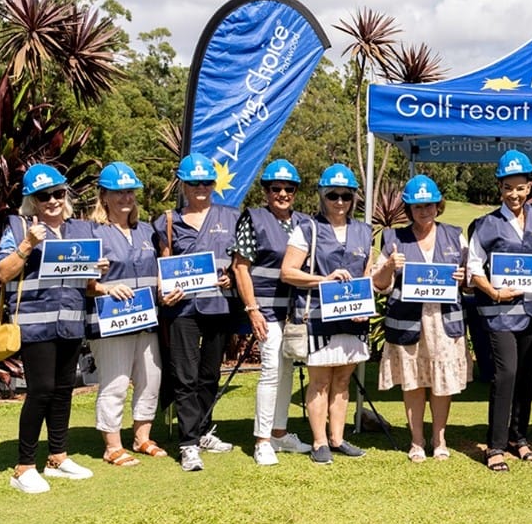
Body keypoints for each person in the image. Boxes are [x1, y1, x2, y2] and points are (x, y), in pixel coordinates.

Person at [0, 164, 102, 493]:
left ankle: (57, 457)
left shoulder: (81, 230)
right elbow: (2, 273)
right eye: (45, 196)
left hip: (70, 322)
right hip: (34, 324)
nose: (53, 201)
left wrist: (96, 270)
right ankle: (24, 466)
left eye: (58, 193)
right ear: (32, 200)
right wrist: (27, 244)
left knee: (63, 391)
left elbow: (86, 284)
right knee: (40, 391)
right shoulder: (18, 226)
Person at [374, 175, 471, 463]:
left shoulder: (455, 235)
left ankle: (439, 439)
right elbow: (379, 284)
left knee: (442, 383)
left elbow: (470, 280)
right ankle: (416, 441)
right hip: (408, 323)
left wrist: (465, 278)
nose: (424, 211)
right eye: (417, 206)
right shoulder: (393, 238)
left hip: (444, 322)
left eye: (429, 205)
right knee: (414, 382)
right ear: (409, 208)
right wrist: (390, 266)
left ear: (438, 205)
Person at [281, 163, 372, 465]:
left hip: (353, 319)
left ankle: (337, 438)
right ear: (322, 195)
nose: (340, 202)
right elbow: (288, 272)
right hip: (318, 317)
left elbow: (367, 277)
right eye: (333, 195)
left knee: (343, 381)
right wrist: (325, 279)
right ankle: (319, 441)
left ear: (354, 197)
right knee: (319, 381)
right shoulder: (307, 229)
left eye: (346, 196)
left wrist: (365, 308)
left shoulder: (364, 232)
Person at [154, 153, 240, 472]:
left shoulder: (231, 217)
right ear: (183, 185)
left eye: (206, 182)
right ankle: (188, 442)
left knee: (210, 374)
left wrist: (231, 275)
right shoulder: (166, 220)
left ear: (214, 184)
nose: (200, 187)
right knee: (185, 375)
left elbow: (240, 261)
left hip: (218, 304)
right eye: (194, 183)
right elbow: (164, 262)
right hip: (182, 308)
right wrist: (165, 291)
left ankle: (205, 430)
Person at [468, 150, 532, 472]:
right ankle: (496, 445)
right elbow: (474, 267)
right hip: (499, 312)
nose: (514, 194)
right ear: (499, 188)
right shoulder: (487, 224)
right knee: (506, 374)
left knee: (527, 378)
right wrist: (493, 292)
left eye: (520, 187)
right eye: (507, 187)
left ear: (529, 186)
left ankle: (520, 439)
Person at [232, 159, 313, 466]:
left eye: (288, 189)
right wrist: (252, 309)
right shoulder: (253, 218)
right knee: (270, 371)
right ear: (266, 191)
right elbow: (241, 268)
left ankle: (280, 434)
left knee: (287, 371)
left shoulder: (304, 222)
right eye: (276, 188)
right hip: (265, 308)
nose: (282, 194)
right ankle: (262, 440)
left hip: (295, 310)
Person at [87, 162, 165, 467]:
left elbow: (157, 271)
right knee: (115, 382)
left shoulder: (146, 230)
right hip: (110, 322)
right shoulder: (92, 231)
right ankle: (112, 445)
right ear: (103, 195)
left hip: (147, 320)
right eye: (118, 192)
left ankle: (142, 437)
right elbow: (81, 283)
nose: (125, 198)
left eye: (130, 191)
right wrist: (104, 287)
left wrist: (168, 287)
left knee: (150, 378)